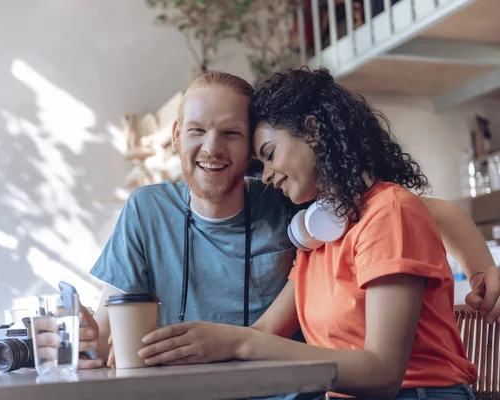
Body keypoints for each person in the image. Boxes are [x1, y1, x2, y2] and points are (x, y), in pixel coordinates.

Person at [77, 71, 499, 380]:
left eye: (233, 135)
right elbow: (105, 335)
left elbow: (414, 212)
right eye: (197, 130)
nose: (212, 148)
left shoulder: (300, 200)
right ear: (175, 135)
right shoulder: (149, 209)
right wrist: (82, 340)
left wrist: (484, 270)